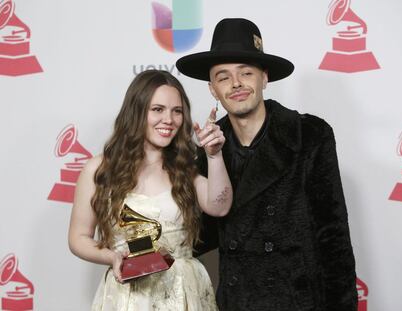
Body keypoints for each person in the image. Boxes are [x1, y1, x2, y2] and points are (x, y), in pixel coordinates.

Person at [176, 18, 357, 310]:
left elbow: (333, 238)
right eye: (223, 77)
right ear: (212, 89)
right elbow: (202, 237)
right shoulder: (206, 150)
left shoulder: (309, 135)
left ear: (264, 78)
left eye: (246, 73)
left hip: (299, 301)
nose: (236, 84)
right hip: (238, 300)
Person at [68, 69, 233, 310]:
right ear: (136, 111)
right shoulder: (100, 168)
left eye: (177, 111)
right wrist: (112, 256)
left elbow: (219, 206)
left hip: (184, 293)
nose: (169, 119)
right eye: (157, 109)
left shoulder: (186, 166)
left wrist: (215, 156)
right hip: (130, 294)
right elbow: (78, 237)